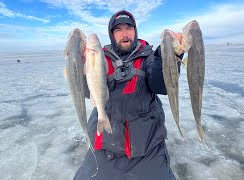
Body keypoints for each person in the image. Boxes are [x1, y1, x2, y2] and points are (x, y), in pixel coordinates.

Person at [74, 10, 183, 180]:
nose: (125, 34)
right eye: (118, 30)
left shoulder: (148, 57)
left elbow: (161, 85)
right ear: (111, 34)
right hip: (106, 145)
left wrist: (167, 55)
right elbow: (88, 91)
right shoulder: (100, 58)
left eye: (129, 28)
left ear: (135, 31)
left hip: (147, 148)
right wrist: (80, 67)